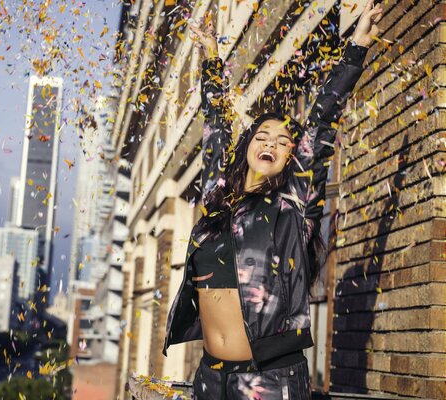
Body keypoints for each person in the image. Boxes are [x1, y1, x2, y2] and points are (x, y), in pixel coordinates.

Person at [162, 1, 383, 398]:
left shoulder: (292, 202)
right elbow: (216, 122)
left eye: (283, 142)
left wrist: (358, 45)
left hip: (269, 380)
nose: (271, 143)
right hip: (210, 379)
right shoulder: (217, 197)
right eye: (262, 136)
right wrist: (211, 54)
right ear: (248, 146)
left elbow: (321, 118)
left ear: (289, 158)